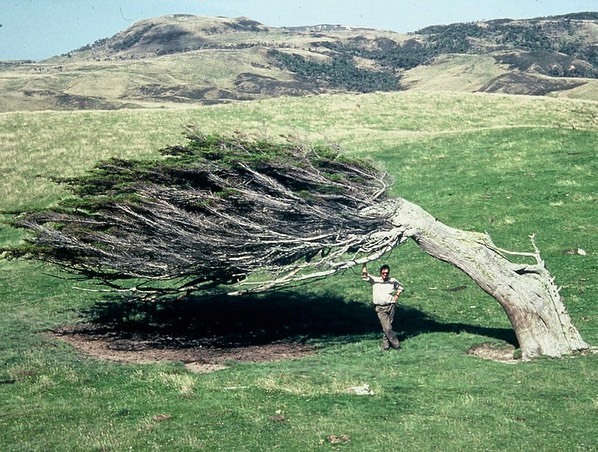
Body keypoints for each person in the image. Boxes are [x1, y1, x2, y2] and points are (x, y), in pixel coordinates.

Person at [362, 264, 404, 351]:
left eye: (387, 273)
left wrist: (396, 296)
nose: (385, 274)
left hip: (391, 305)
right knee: (387, 327)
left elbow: (400, 287)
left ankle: (386, 345)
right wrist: (364, 264)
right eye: (383, 272)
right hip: (380, 308)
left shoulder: (392, 281)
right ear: (380, 272)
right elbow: (365, 274)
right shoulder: (375, 280)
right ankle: (396, 345)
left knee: (388, 327)